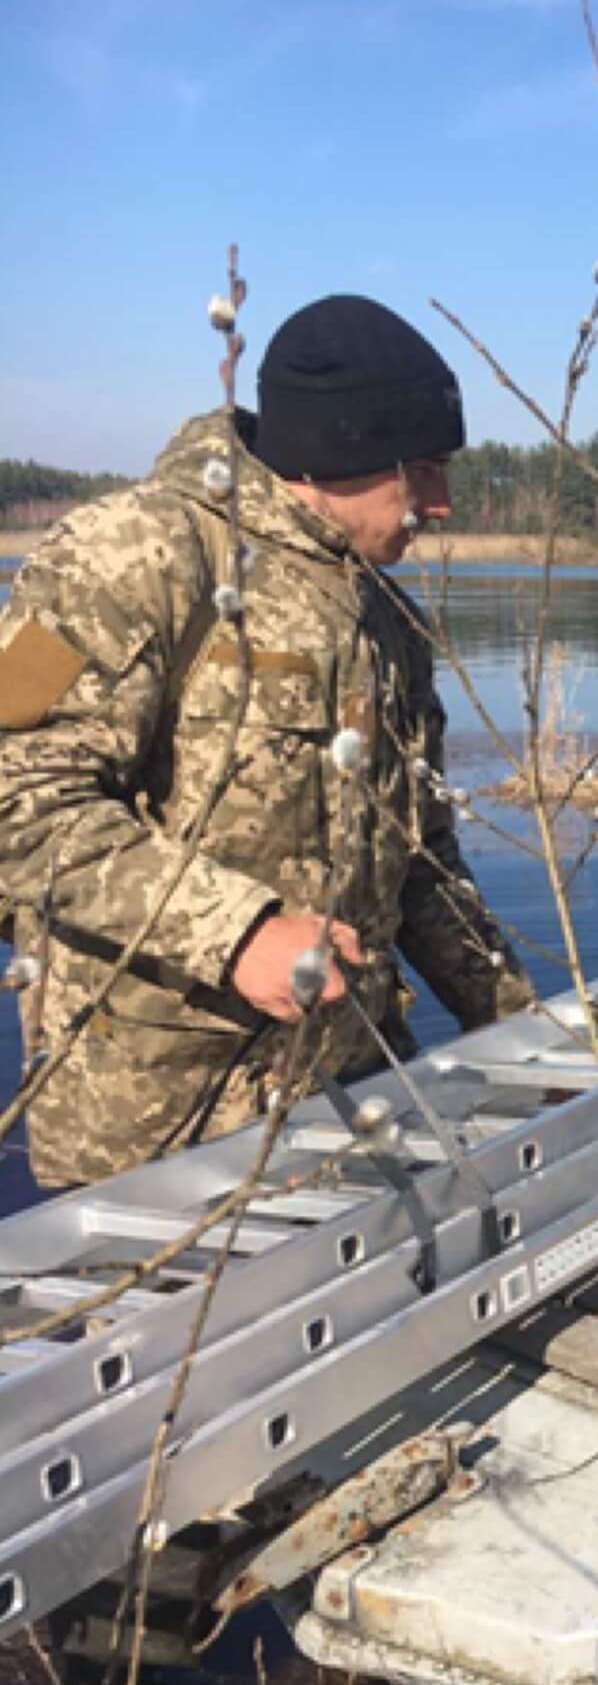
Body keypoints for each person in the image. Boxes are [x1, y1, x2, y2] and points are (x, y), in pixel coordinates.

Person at [0, 294, 535, 1188]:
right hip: (155, 1130)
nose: (440, 506)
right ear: (343, 450)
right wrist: (237, 931)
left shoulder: (384, 616)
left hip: (345, 1097)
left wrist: (519, 1029)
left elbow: (423, 862)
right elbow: (18, 797)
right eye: (424, 470)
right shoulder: (135, 555)